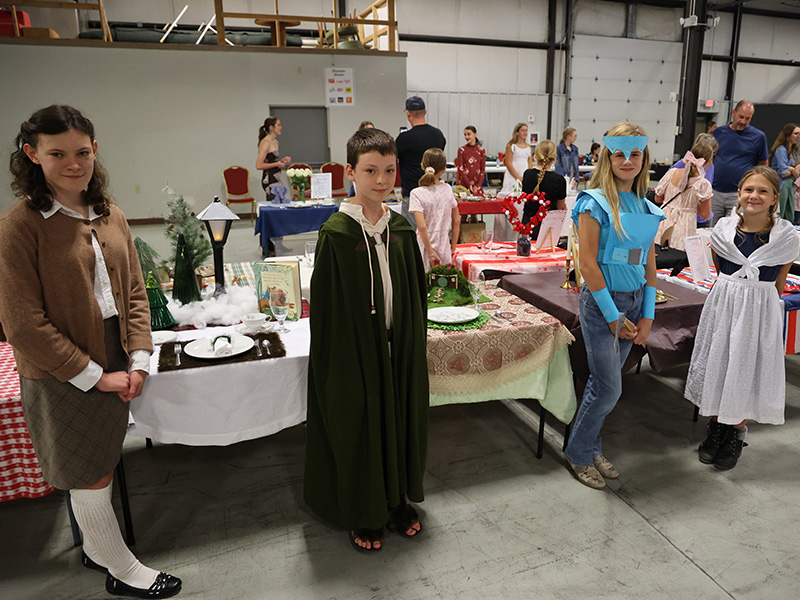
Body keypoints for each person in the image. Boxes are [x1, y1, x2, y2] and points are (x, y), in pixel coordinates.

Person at [0, 106, 182, 598]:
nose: (73, 164)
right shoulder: (18, 226)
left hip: (116, 355)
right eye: (57, 154)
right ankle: (122, 570)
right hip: (60, 369)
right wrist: (95, 375)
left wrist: (139, 358)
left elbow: (136, 293)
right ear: (32, 154)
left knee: (99, 462)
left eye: (82, 152)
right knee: (89, 472)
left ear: (95, 150)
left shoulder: (110, 215)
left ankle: (98, 549)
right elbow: (22, 325)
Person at [304, 128, 430, 553]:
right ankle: (364, 509)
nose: (382, 180)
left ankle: (396, 502)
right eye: (371, 171)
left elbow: (414, 294)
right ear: (350, 172)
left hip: (398, 347)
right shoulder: (337, 234)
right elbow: (326, 309)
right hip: (356, 351)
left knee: (399, 423)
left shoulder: (401, 228)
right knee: (362, 427)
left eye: (389, 171)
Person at [564, 122, 664, 490]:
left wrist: (648, 314)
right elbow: (587, 265)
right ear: (607, 157)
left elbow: (649, 265)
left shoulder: (646, 206)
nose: (627, 160)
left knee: (604, 384)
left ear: (644, 159)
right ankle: (578, 452)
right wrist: (611, 316)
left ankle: (590, 446)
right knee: (609, 388)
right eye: (619, 153)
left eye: (634, 153)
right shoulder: (593, 203)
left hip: (635, 302)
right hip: (603, 304)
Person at [685, 166, 800, 470]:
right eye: (749, 189)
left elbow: (779, 282)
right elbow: (721, 270)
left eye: (763, 191)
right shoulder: (723, 230)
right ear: (738, 193)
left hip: (760, 309)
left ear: (774, 198)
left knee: (746, 367)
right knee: (719, 362)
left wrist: (760, 310)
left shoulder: (786, 236)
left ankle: (736, 431)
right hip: (724, 304)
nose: (754, 196)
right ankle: (716, 427)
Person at [710, 100, 769, 226]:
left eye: (748, 118)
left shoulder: (758, 137)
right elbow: (710, 158)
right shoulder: (719, 132)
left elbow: (763, 165)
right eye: (741, 117)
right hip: (715, 192)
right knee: (711, 229)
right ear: (733, 113)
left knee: (734, 228)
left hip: (739, 194)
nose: (743, 121)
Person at [653, 137, 716, 251]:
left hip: (664, 221)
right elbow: (705, 215)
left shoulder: (672, 173)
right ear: (707, 162)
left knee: (659, 254)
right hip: (685, 225)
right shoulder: (702, 184)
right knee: (679, 257)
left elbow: (658, 199)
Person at [396, 96, 446, 224]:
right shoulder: (438, 135)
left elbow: (392, 160)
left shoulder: (404, 139)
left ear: (408, 114)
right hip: (435, 194)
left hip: (413, 195)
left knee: (412, 234)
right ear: (425, 112)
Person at [409, 148, 460, 270]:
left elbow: (422, 226)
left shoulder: (416, 193)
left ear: (422, 166)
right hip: (444, 246)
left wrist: (431, 253)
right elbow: (457, 220)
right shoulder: (447, 189)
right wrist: (453, 247)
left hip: (424, 247)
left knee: (425, 280)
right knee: (444, 280)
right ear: (444, 170)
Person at [521, 140, 567, 240]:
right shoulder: (559, 180)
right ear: (554, 157)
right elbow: (560, 208)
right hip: (548, 228)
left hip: (528, 226)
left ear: (536, 155)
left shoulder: (527, 174)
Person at [255, 116, 291, 202]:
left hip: (276, 176)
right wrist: (277, 164)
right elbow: (259, 165)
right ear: (271, 127)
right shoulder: (265, 143)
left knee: (280, 200)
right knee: (274, 201)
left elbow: (271, 161)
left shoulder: (275, 142)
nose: (281, 127)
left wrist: (281, 161)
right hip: (269, 178)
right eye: (278, 125)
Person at [500, 122, 533, 197]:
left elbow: (530, 163)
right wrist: (518, 178)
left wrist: (527, 176)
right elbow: (509, 164)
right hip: (513, 175)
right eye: (523, 131)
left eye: (526, 130)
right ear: (517, 133)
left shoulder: (528, 147)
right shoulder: (512, 146)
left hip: (525, 175)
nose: (525, 133)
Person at [456, 125, 486, 196]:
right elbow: (461, 169)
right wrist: (469, 185)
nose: (466, 137)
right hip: (464, 186)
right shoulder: (462, 150)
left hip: (477, 187)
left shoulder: (481, 150)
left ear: (475, 134)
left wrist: (478, 185)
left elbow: (482, 170)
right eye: (465, 135)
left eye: (468, 134)